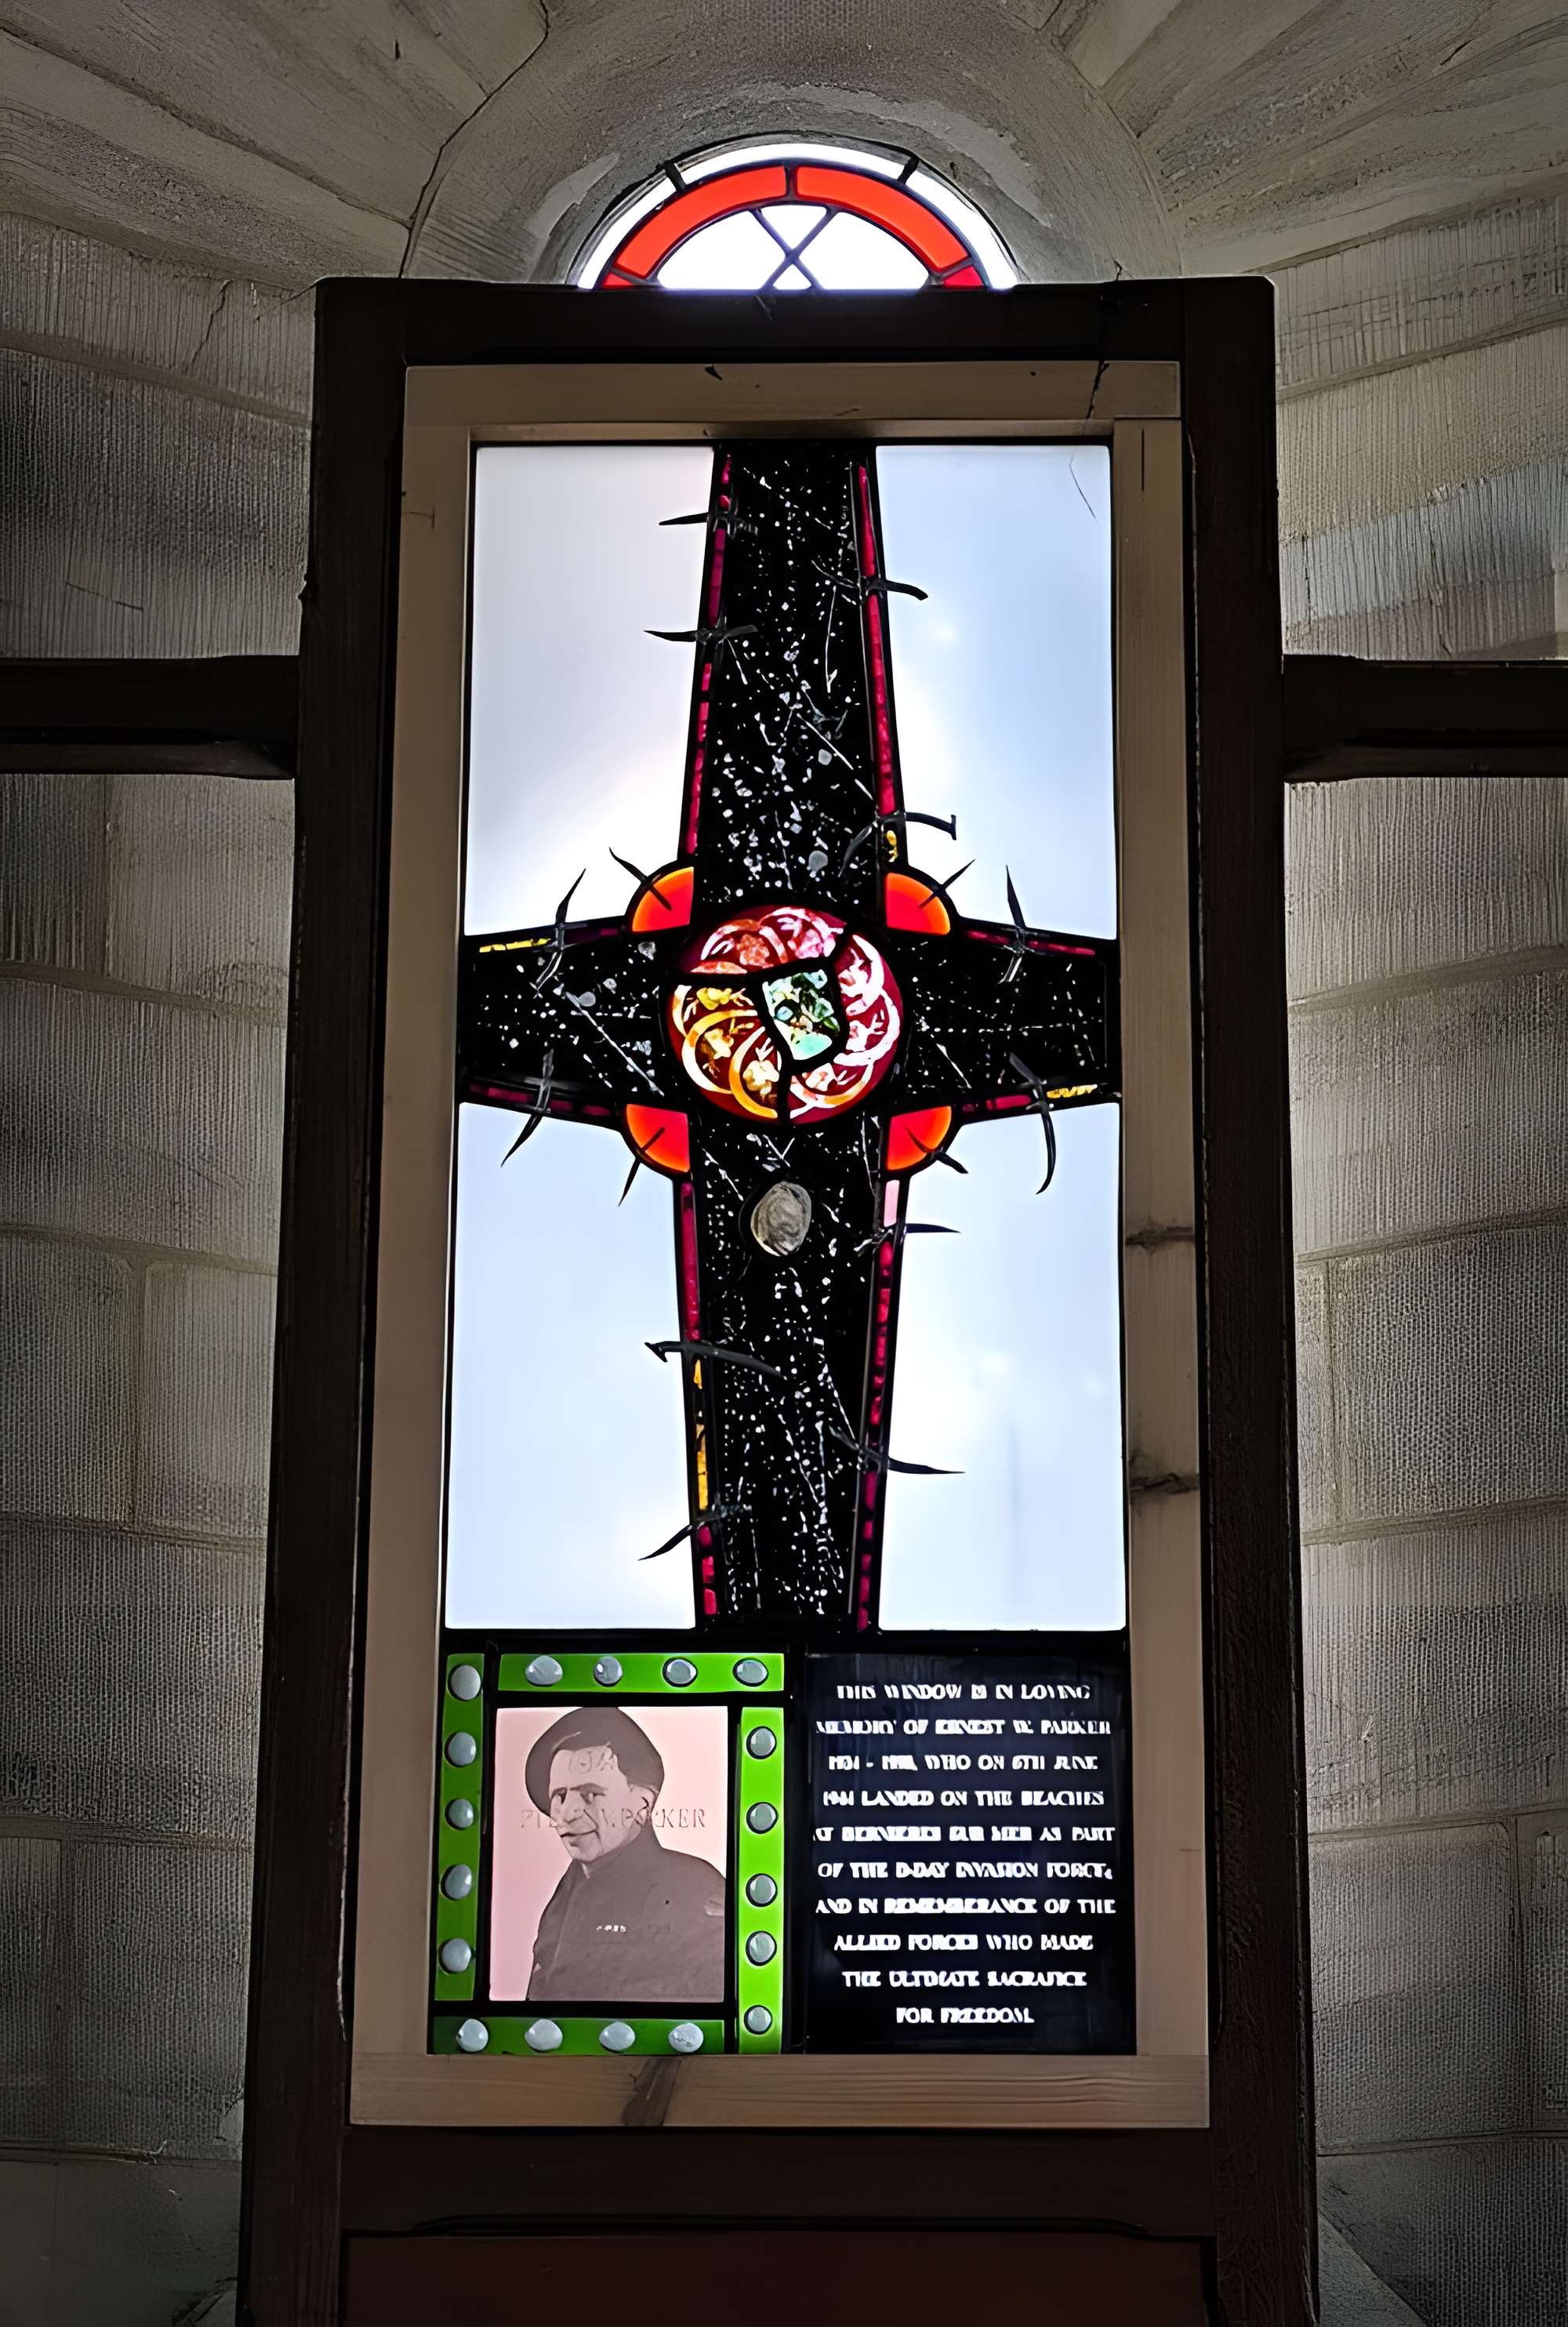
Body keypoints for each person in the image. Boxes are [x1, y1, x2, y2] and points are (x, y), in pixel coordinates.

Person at [523, 1705, 726, 2003]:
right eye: (560, 1796)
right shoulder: (565, 1893)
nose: (567, 1812)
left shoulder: (695, 1886)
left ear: (642, 1805)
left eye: (590, 1794)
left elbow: (716, 1989)